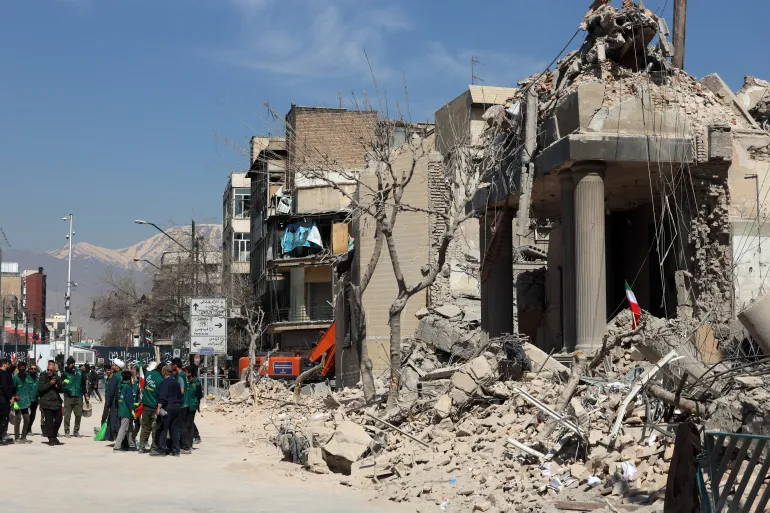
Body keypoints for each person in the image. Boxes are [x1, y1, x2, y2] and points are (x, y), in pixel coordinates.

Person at [151, 366, 182, 457]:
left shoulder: (165, 382)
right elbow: (180, 395)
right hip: (177, 406)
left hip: (168, 406)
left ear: (164, 372)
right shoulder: (176, 382)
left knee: (162, 428)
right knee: (174, 429)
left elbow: (163, 396)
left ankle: (162, 449)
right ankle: (176, 450)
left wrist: (158, 408)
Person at [38, 360, 63, 446]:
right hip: (46, 403)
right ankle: (51, 438)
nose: (49, 371)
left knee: (59, 419)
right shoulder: (43, 377)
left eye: (51, 370)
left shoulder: (57, 378)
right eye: (48, 370)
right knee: (49, 422)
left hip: (56, 403)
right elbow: (41, 389)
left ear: (54, 371)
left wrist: (59, 385)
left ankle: (54, 435)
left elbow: (62, 389)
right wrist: (50, 383)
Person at [139, 361, 162, 453]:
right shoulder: (161, 379)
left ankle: (142, 446)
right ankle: (154, 447)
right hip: (155, 407)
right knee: (154, 428)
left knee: (145, 427)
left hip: (145, 405)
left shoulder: (147, 374)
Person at [62, 356, 87, 437]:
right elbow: (61, 382)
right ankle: (67, 431)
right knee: (67, 415)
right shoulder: (65, 372)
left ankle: (76, 431)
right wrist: (66, 381)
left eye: (69, 364)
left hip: (78, 396)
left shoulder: (80, 372)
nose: (68, 365)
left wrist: (86, 395)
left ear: (73, 364)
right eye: (67, 364)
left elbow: (83, 385)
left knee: (78, 414)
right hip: (68, 396)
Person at [113, 370, 137, 452]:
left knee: (130, 428)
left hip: (121, 409)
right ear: (130, 378)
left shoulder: (120, 386)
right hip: (126, 411)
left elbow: (116, 398)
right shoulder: (128, 388)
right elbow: (129, 400)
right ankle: (117, 446)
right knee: (123, 429)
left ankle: (131, 444)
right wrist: (133, 408)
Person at [101, 360, 123, 443]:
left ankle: (116, 438)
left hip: (114, 402)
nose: (112, 366)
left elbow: (111, 391)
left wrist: (108, 403)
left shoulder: (115, 376)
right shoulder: (124, 375)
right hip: (122, 402)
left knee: (114, 420)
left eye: (114, 365)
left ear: (117, 367)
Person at [181, 367, 202, 454]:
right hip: (184, 406)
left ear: (190, 373)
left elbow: (199, 394)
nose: (184, 373)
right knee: (184, 425)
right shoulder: (185, 382)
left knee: (190, 425)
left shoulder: (196, 383)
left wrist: (197, 404)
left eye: (185, 372)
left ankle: (190, 444)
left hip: (192, 406)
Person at [12, 362, 33, 443]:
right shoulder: (15, 378)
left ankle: (23, 437)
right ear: (18, 368)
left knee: (27, 420)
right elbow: (12, 390)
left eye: (23, 367)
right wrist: (14, 397)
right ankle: (17, 438)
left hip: (26, 402)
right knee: (18, 420)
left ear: (26, 367)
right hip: (18, 402)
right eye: (20, 367)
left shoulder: (28, 377)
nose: (22, 368)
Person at [171, 358, 188, 450]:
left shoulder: (180, 376)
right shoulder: (183, 374)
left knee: (181, 426)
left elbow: (181, 391)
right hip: (184, 402)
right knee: (183, 425)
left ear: (175, 366)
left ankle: (185, 446)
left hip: (182, 403)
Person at [0, 359, 15, 445]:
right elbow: (5, 387)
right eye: (8, 364)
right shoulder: (3, 374)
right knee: (4, 419)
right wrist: (10, 398)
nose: (10, 366)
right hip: (3, 400)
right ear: (5, 365)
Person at [26, 363, 40, 436]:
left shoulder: (38, 378)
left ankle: (29, 428)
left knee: (33, 415)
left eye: (35, 369)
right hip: (28, 400)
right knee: (27, 416)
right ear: (29, 369)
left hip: (35, 400)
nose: (33, 370)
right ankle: (26, 429)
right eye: (32, 369)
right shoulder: (26, 378)